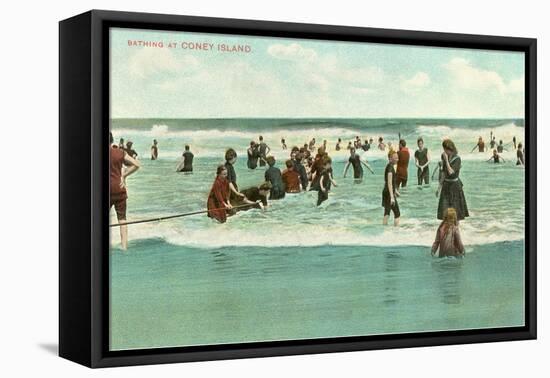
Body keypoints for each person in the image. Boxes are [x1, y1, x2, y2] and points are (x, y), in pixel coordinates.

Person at [110, 132, 140, 250]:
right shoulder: (120, 152)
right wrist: (124, 175)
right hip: (119, 189)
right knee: (122, 220)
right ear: (112, 140)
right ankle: (124, 247)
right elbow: (137, 164)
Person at [437, 139, 469, 221]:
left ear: (450, 149)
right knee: (444, 211)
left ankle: (455, 230)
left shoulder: (457, 159)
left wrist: (446, 161)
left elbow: (451, 172)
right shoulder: (444, 157)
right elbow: (444, 173)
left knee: (456, 213)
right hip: (446, 186)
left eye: (446, 149)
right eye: (444, 149)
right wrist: (439, 187)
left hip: (455, 186)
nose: (444, 151)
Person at [382, 150, 400, 226]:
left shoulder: (389, 166)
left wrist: (395, 191)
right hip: (389, 193)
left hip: (386, 192)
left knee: (387, 212)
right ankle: (396, 231)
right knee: (397, 213)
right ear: (390, 158)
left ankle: (384, 229)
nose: (397, 159)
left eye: (397, 157)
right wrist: (392, 197)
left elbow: (390, 182)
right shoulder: (390, 168)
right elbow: (389, 183)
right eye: (395, 158)